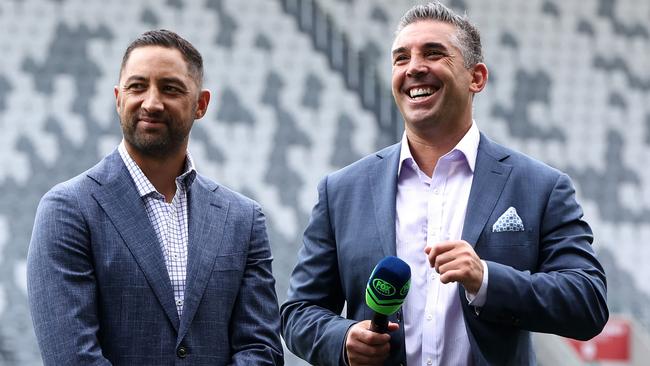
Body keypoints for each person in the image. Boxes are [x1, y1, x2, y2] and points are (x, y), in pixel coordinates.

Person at [280, 2, 608, 365]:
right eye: (401, 58)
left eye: (433, 53)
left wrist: (485, 279)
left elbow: (588, 301)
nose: (414, 67)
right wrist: (342, 340)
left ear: (476, 78)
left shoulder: (540, 186)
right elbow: (299, 312)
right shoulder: (341, 190)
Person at [27, 29, 284, 365]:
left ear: (201, 105)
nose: (151, 102)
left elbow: (261, 349)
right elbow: (72, 357)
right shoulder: (67, 210)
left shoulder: (243, 218)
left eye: (170, 88)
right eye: (137, 86)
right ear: (118, 97)